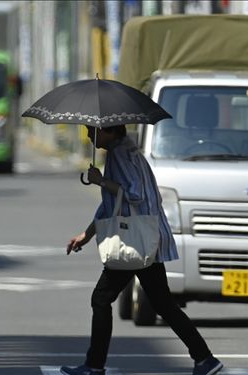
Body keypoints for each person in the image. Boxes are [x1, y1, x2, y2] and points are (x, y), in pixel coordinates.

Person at [61, 125, 223, 375]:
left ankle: (94, 366)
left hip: (134, 241)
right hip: (145, 239)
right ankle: (205, 358)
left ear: (110, 131)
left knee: (102, 299)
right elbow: (111, 206)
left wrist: (101, 180)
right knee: (163, 303)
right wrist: (86, 234)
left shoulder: (121, 154)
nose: (89, 136)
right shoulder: (128, 152)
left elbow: (133, 194)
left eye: (93, 130)